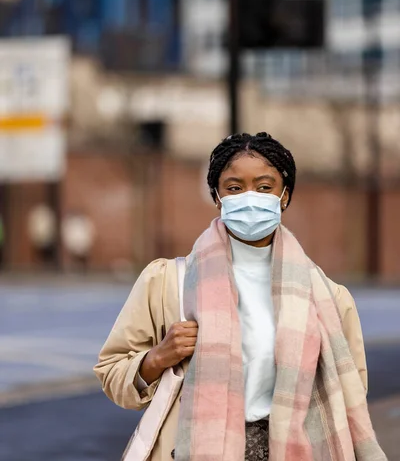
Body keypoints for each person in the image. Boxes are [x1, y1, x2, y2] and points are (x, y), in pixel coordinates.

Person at [94, 132, 386, 461]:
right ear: (217, 197)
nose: (250, 198)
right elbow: (111, 371)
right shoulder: (166, 282)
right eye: (234, 187)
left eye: (264, 187)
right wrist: (158, 358)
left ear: (284, 196)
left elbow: (352, 392)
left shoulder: (329, 299)